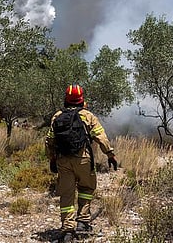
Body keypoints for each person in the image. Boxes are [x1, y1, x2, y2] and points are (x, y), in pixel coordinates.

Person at [45, 84, 118, 242]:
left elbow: (49, 140)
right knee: (86, 187)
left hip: (63, 160)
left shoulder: (57, 116)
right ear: (82, 99)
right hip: (83, 159)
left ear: (66, 99)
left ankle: (67, 228)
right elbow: (101, 137)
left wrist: (52, 159)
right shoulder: (88, 115)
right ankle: (83, 222)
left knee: (66, 194)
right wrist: (110, 155)